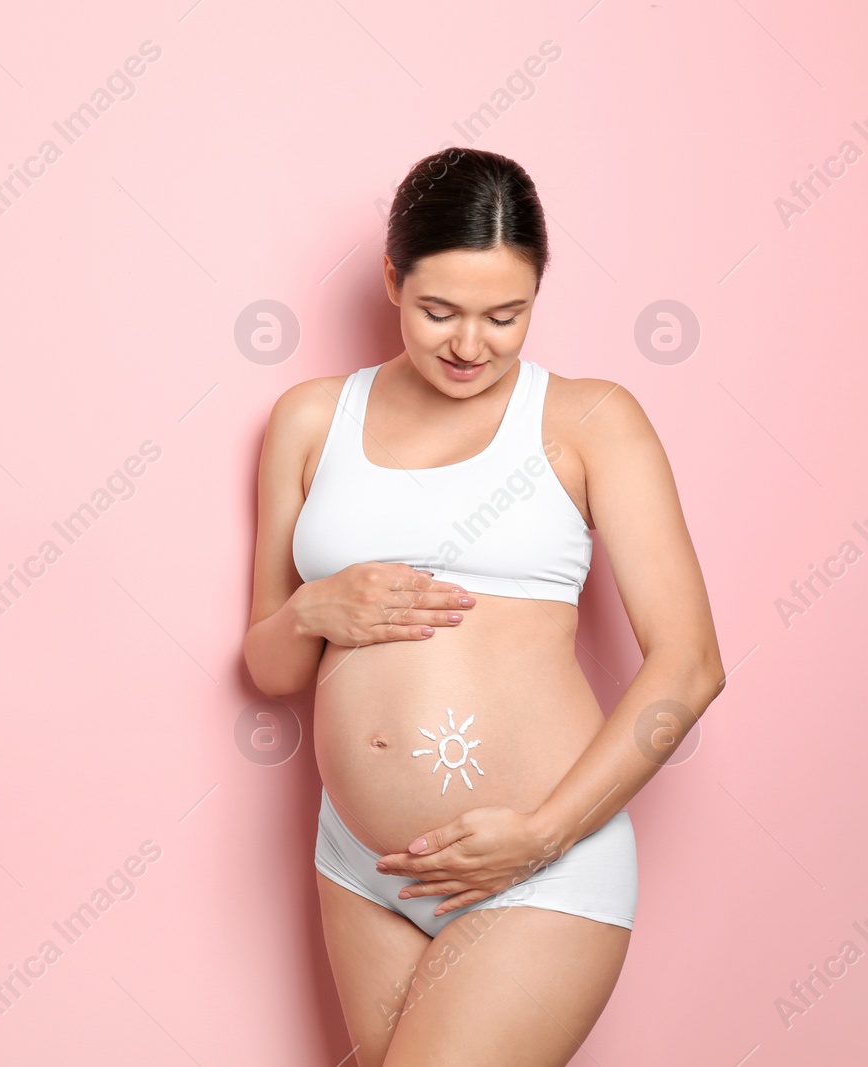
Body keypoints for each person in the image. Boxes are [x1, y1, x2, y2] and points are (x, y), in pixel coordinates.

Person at [243, 147, 725, 1066]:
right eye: (439, 312)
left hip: (538, 857)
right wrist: (312, 610)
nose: (471, 346)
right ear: (393, 278)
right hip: (361, 864)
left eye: (506, 315)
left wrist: (542, 834)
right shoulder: (310, 419)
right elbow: (269, 668)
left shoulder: (589, 420)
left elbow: (690, 664)